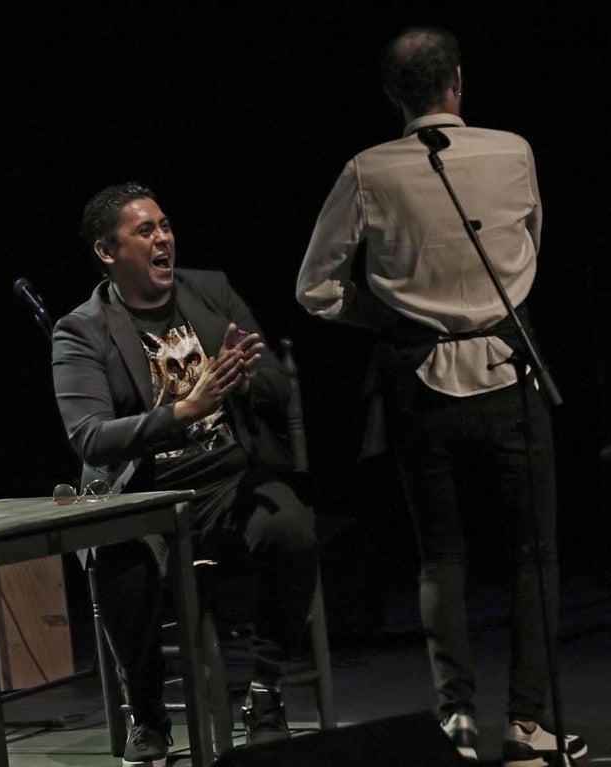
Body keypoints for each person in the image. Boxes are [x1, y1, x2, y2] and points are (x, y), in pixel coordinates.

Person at [296, 27, 586, 765]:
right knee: (534, 554)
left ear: (394, 94)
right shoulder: (512, 150)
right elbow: (527, 251)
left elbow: (315, 287)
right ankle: (529, 725)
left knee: (441, 555)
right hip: (507, 372)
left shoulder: (368, 169)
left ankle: (455, 720)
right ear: (457, 80)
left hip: (416, 379)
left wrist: (391, 314)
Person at [53, 182, 319, 766]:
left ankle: (266, 693)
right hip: (145, 496)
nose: (162, 238)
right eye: (144, 230)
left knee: (294, 530)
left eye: (165, 225)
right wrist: (182, 411)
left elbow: (278, 386)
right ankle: (147, 716)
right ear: (107, 251)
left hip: (228, 483)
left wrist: (246, 375)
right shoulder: (81, 330)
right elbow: (90, 436)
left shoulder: (212, 292)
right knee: (118, 555)